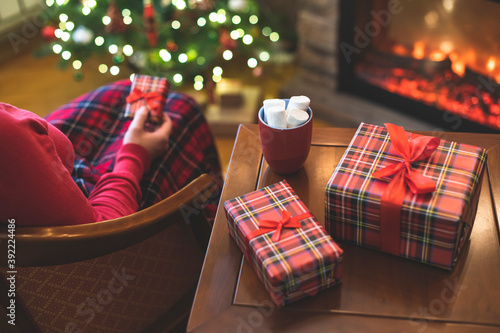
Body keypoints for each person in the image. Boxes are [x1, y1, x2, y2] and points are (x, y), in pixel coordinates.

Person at [0, 79, 222, 226]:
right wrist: (135, 153)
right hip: (100, 218)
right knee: (180, 107)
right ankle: (213, 225)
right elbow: (101, 226)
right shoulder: (8, 138)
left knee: (126, 90)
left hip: (54, 171)